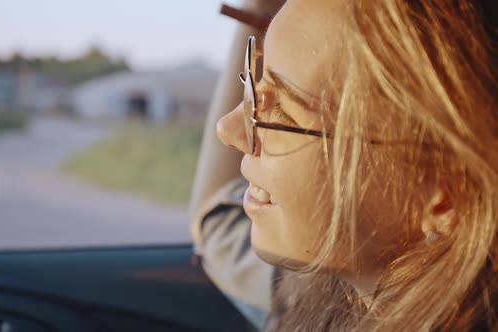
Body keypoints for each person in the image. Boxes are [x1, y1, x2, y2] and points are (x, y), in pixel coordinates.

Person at [202, 0, 498, 330]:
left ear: (443, 192)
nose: (228, 130)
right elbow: (217, 228)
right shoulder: (326, 291)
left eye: (281, 109)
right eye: (255, 83)